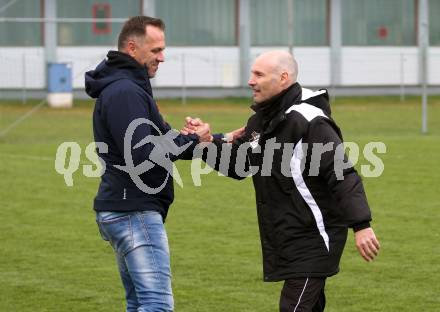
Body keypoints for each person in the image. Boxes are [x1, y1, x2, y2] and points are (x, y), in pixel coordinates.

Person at [183, 50, 380, 311]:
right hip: (288, 235)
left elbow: (341, 173)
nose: (250, 80)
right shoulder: (260, 121)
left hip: (315, 236)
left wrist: (361, 225)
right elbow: (240, 164)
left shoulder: (309, 121)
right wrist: (206, 143)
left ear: (283, 78)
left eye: (259, 74)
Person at [85, 16, 212, 312]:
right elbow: (144, 155)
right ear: (132, 48)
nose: (162, 57)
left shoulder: (129, 86)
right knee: (156, 306)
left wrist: (213, 138)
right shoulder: (125, 92)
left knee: (139, 304)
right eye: (155, 51)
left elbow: (165, 141)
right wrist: (192, 140)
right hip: (134, 211)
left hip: (126, 208)